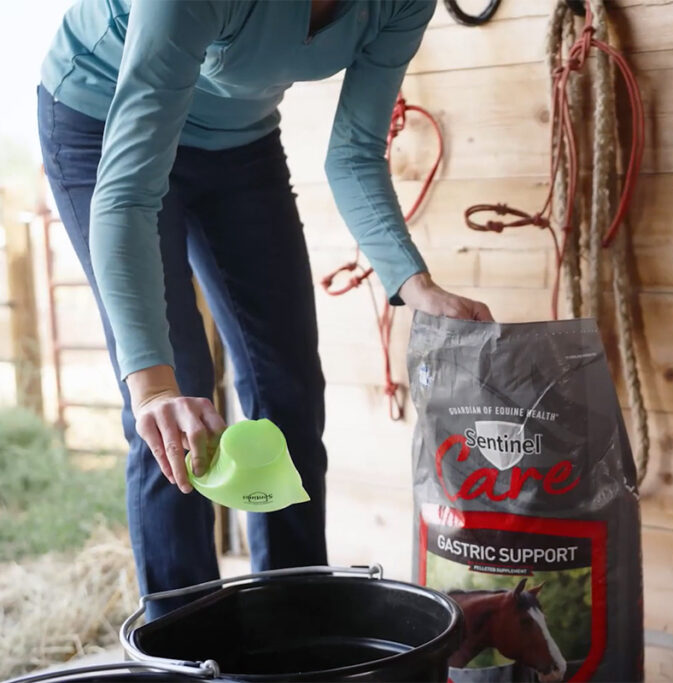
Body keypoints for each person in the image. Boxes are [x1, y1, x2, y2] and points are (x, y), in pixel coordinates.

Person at [37, 0, 491, 615]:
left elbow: (355, 151)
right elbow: (129, 193)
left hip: (237, 142)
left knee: (290, 390)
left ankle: (298, 631)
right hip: (104, 121)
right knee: (179, 408)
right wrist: (151, 390)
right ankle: (187, 643)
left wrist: (414, 282)